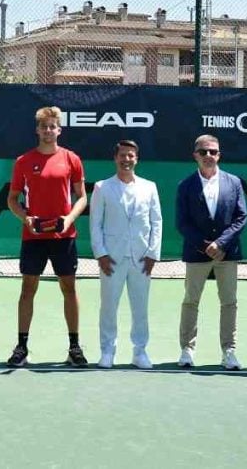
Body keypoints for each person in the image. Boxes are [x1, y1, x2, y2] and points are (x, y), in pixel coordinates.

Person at [6, 106, 88, 368]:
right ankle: (21, 346)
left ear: (59, 130)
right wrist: (26, 219)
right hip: (34, 237)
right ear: (37, 130)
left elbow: (82, 197)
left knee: (69, 289)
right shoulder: (23, 161)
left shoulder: (71, 159)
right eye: (44, 127)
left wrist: (69, 219)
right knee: (28, 289)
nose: (48, 131)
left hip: (64, 236)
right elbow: (12, 200)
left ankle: (74, 347)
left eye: (53, 126)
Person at [175, 134, 247, 370]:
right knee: (191, 301)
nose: (209, 156)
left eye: (213, 152)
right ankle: (187, 349)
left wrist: (221, 244)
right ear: (195, 155)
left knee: (229, 302)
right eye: (204, 152)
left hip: (227, 254)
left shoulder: (234, 182)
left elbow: (241, 217)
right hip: (197, 253)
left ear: (219, 155)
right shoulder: (185, 186)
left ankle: (229, 351)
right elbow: (182, 223)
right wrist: (206, 245)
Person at [89, 139, 162, 370]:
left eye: (131, 155)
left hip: (141, 258)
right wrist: (101, 254)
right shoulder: (102, 187)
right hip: (111, 258)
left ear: (136, 159)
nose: (126, 159)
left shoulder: (149, 187)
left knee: (140, 307)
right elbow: (95, 224)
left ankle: (140, 352)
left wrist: (152, 254)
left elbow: (156, 222)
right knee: (108, 306)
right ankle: (107, 351)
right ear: (115, 158)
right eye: (122, 155)